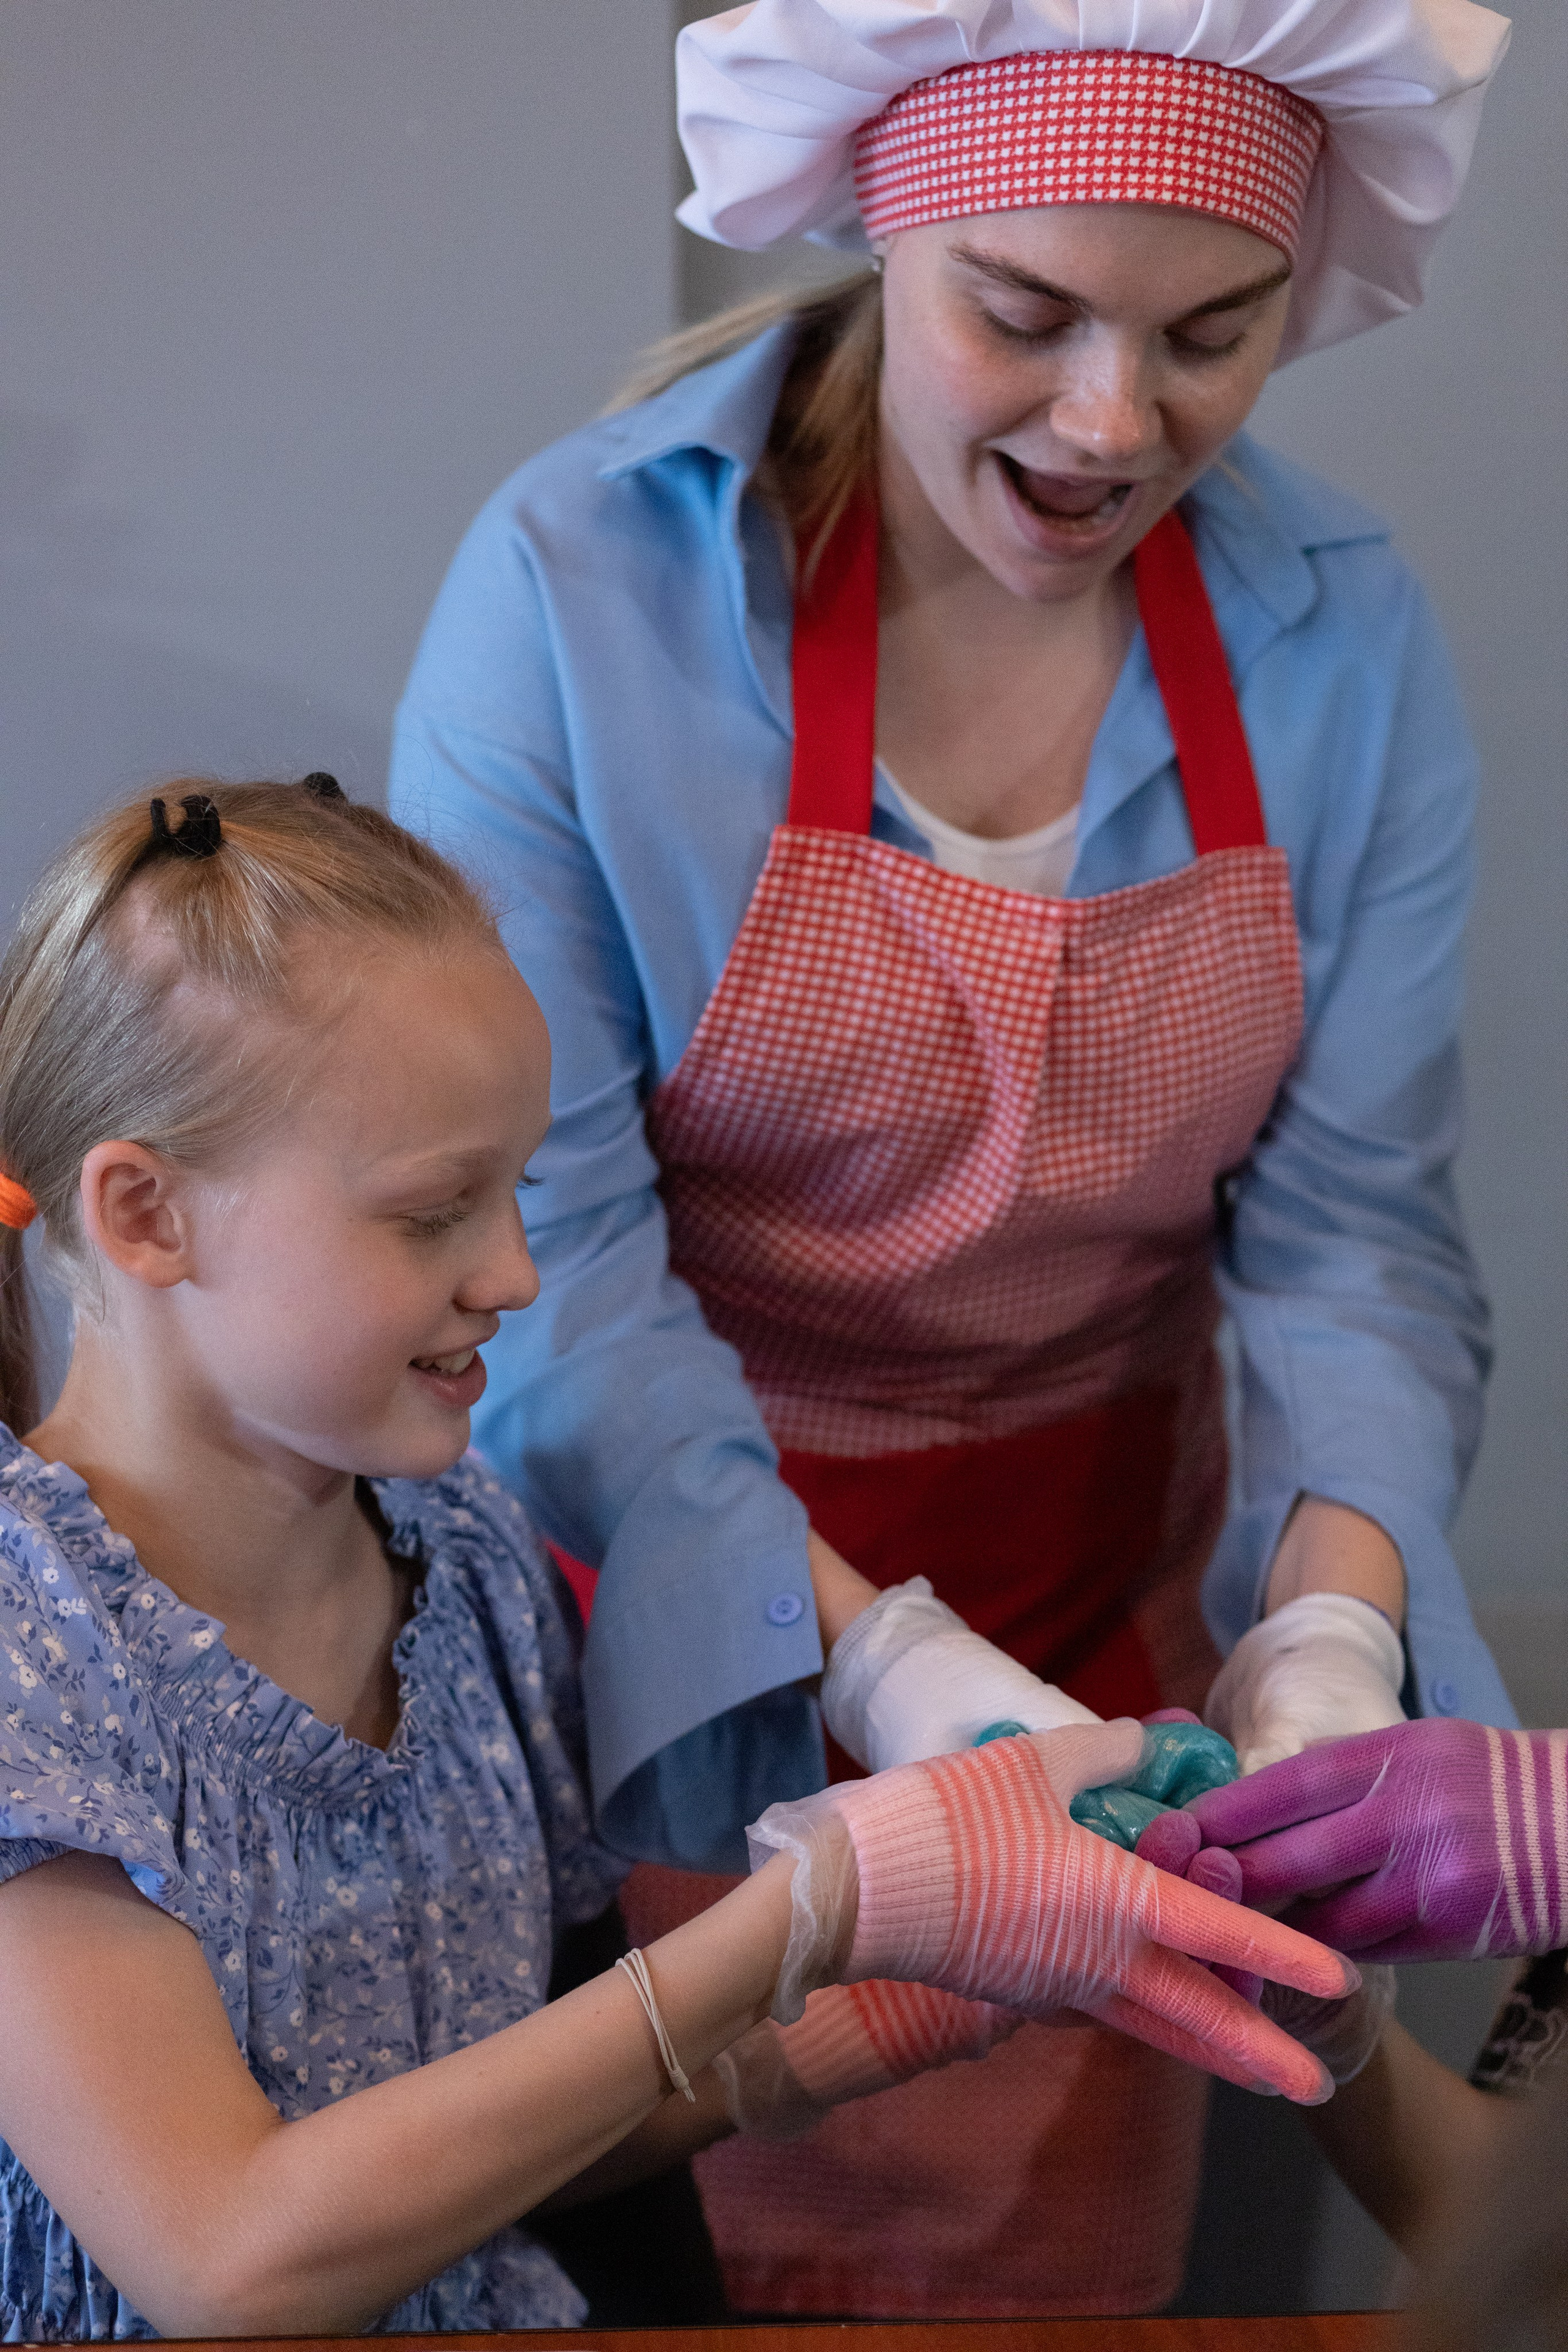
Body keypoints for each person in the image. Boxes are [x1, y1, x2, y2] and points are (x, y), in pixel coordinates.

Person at [388, 0, 1514, 2316]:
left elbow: (1353, 1242)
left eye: (1216, 336)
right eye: (1024, 313)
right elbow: (553, 1261)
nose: (1117, 424)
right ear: (886, 232)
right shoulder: (583, 599)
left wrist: (1326, 1627)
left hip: (1113, 1621)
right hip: (646, 1650)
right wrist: (885, 1672)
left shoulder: (1341, 639)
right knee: (628, 2234)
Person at [0, 778, 1348, 2342]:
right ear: (146, 1215)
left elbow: (506, 2151)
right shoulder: (34, 1647)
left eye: (518, 1195)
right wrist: (810, 1910)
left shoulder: (467, 1560)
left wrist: (914, 1992)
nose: (509, 1272)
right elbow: (224, 2260)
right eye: (434, 1211)